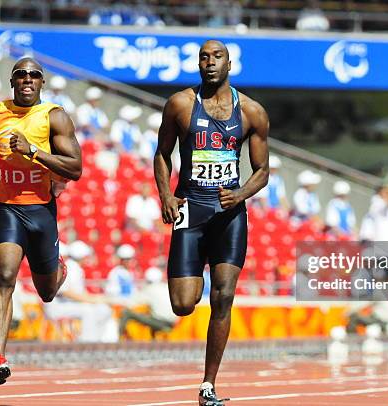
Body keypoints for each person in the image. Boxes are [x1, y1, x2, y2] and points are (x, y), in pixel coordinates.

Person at [154, 40, 269, 406]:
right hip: (190, 208)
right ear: (198, 63)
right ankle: (191, 278)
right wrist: (166, 196)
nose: (209, 63)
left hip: (229, 213)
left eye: (216, 57)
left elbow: (263, 171)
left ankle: (207, 385)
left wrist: (241, 194)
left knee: (224, 296)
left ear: (229, 64)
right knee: (183, 305)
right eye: (204, 57)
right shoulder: (180, 104)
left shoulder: (251, 111)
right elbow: (162, 154)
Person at [0, 57, 82, 385]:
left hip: (42, 212)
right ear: (12, 81)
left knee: (46, 292)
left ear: (42, 83)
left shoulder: (54, 117)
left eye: (34, 75)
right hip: (7, 209)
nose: (27, 80)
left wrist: (33, 151)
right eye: (21, 75)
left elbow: (75, 169)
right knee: (5, 277)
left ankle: (58, 270)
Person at [118, 267, 178, 339]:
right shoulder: (166, 287)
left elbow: (129, 303)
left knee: (126, 313)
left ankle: (118, 338)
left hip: (162, 323)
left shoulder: (150, 289)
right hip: (174, 322)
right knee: (150, 313)